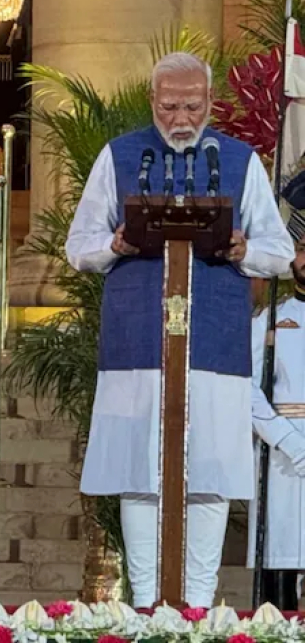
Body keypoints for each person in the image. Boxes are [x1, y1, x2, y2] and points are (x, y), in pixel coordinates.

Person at [66, 51, 294, 608]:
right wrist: (114, 245)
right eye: (169, 106)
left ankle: (197, 601)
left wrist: (245, 248)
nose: (181, 117)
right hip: (137, 343)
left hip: (214, 343)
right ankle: (147, 604)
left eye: (192, 105)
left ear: (210, 104)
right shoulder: (119, 156)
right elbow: (79, 246)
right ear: (152, 102)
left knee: (211, 468)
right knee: (138, 467)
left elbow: (280, 250)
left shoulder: (240, 161)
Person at [248, 177, 305, 610]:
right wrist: (287, 441)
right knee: (282, 555)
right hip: (283, 454)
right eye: (301, 249)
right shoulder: (271, 319)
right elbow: (246, 388)